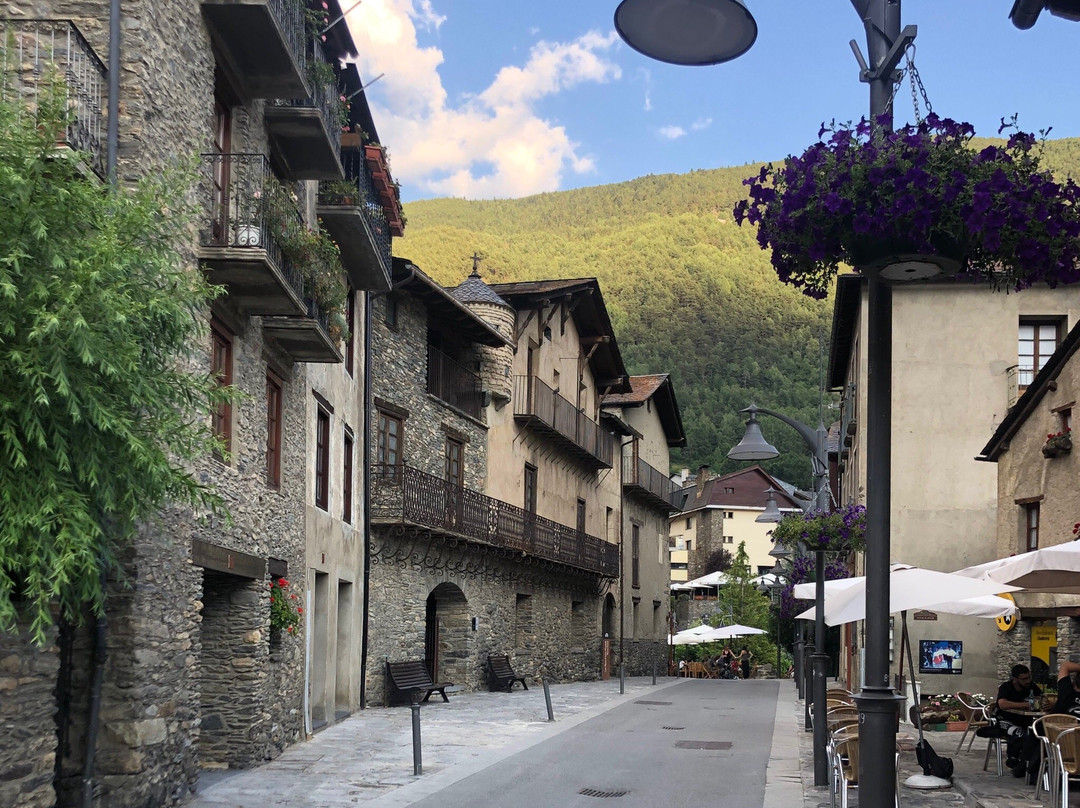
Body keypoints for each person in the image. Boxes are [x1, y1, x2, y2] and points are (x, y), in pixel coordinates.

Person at [995, 663, 1043, 777]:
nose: (1028, 681)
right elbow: (1002, 704)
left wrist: (1045, 703)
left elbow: (1041, 698)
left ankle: (1026, 764)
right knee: (1020, 733)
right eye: (1024, 679)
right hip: (1005, 720)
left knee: (1036, 734)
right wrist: (1026, 705)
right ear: (1015, 679)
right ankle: (1014, 760)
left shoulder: (1031, 687)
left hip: (1025, 721)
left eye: (1029, 677)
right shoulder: (1006, 687)